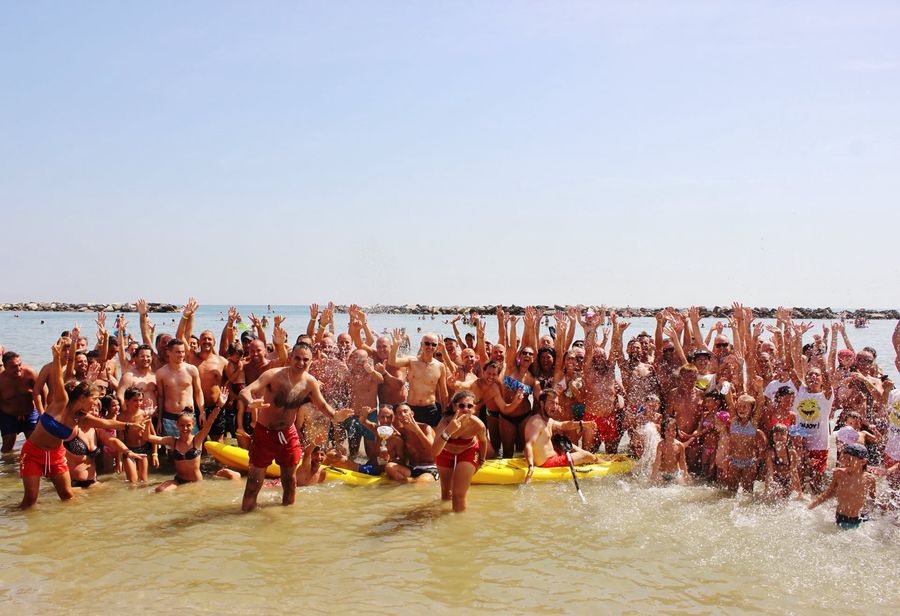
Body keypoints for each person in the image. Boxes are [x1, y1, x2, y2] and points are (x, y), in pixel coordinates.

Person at [19, 340, 144, 508]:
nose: (95, 404)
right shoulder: (60, 402)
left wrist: (129, 425)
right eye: (93, 399)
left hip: (56, 456)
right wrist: (56, 359)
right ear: (83, 398)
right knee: (30, 500)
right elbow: (57, 379)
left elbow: (107, 422)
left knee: (67, 496)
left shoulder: (82, 417)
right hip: (33, 454)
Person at [238, 342, 352, 512]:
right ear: (291, 357)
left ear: (311, 362)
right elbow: (245, 391)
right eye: (297, 358)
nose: (301, 363)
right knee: (253, 483)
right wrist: (251, 402)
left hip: (288, 434)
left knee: (291, 483)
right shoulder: (273, 375)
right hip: (265, 433)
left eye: (306, 360)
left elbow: (321, 405)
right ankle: (245, 520)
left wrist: (335, 415)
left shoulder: (310, 382)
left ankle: (287, 519)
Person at [143, 406, 236, 491]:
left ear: (193, 425)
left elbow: (210, 422)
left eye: (188, 425)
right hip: (179, 480)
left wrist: (219, 405)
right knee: (159, 490)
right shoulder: (172, 441)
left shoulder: (197, 439)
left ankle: (234, 475)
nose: (185, 428)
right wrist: (148, 418)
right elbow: (148, 437)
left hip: (196, 482)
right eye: (182, 425)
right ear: (177, 425)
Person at [432, 391, 488, 513]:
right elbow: (435, 451)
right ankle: (444, 522)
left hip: (468, 451)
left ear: (474, 408)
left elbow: (483, 442)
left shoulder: (478, 425)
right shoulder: (445, 422)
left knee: (458, 495)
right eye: (461, 405)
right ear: (454, 406)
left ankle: (460, 527)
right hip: (445, 452)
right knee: (446, 493)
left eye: (470, 406)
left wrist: (482, 460)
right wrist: (448, 431)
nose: (466, 409)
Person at [523, 390, 597, 480]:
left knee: (564, 441)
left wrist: (582, 423)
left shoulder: (548, 420)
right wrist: (530, 467)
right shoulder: (535, 422)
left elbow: (563, 425)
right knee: (585, 456)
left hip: (554, 456)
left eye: (556, 404)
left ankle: (596, 458)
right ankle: (601, 462)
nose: (555, 406)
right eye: (551, 403)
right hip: (548, 463)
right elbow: (528, 445)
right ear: (542, 403)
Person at [388, 330, 449, 428]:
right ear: (421, 344)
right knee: (411, 440)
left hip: (431, 409)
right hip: (412, 408)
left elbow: (444, 392)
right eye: (427, 343)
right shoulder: (412, 361)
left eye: (433, 344)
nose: (430, 347)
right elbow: (392, 361)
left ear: (437, 347)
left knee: (431, 441)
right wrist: (395, 345)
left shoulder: (440, 366)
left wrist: (446, 413)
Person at [807, 443, 875, 529]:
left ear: (863, 462)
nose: (845, 462)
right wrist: (811, 505)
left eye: (849, 459)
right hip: (842, 517)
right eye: (844, 458)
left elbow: (872, 500)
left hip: (861, 518)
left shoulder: (870, 479)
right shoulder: (839, 474)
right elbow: (829, 492)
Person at [155, 339, 204, 437]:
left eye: (183, 352)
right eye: (178, 352)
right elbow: (160, 397)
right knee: (170, 448)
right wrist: (159, 420)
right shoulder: (161, 373)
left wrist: (202, 413)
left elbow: (198, 392)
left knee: (192, 447)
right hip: (169, 417)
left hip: (189, 416)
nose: (181, 355)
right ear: (169, 352)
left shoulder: (192, 370)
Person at [0, 350, 39, 454]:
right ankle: (6, 468)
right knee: (7, 446)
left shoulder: (30, 373)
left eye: (19, 364)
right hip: (9, 415)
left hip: (29, 412)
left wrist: (42, 412)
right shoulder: (1, 380)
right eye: (13, 367)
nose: (18, 369)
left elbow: (41, 392)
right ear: (5, 367)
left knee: (35, 443)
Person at [762, 423, 802, 500]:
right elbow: (769, 473)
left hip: (788, 479)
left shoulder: (792, 453)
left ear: (787, 437)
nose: (779, 437)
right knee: (777, 495)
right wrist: (766, 492)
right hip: (776, 479)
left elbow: (794, 473)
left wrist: (799, 493)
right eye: (776, 434)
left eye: (782, 434)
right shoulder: (770, 453)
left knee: (789, 497)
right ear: (772, 437)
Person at [651, 417, 690, 485]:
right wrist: (652, 478)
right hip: (663, 473)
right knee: (658, 486)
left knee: (682, 485)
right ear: (663, 431)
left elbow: (683, 463)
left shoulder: (680, 446)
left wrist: (686, 478)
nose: (671, 433)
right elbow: (657, 462)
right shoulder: (661, 445)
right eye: (668, 430)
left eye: (674, 430)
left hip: (674, 474)